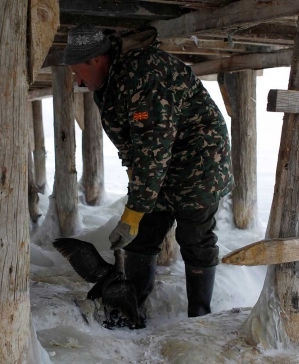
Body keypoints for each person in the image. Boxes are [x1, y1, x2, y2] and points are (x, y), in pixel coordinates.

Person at [63, 23, 234, 324]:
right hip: (161, 165)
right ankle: (132, 308)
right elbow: (137, 149)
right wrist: (137, 206)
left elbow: (151, 149)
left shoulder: (143, 77)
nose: (77, 80)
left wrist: (132, 213)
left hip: (200, 161)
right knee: (142, 236)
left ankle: (199, 317)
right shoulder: (109, 83)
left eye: (79, 72)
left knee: (195, 238)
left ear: (96, 60)